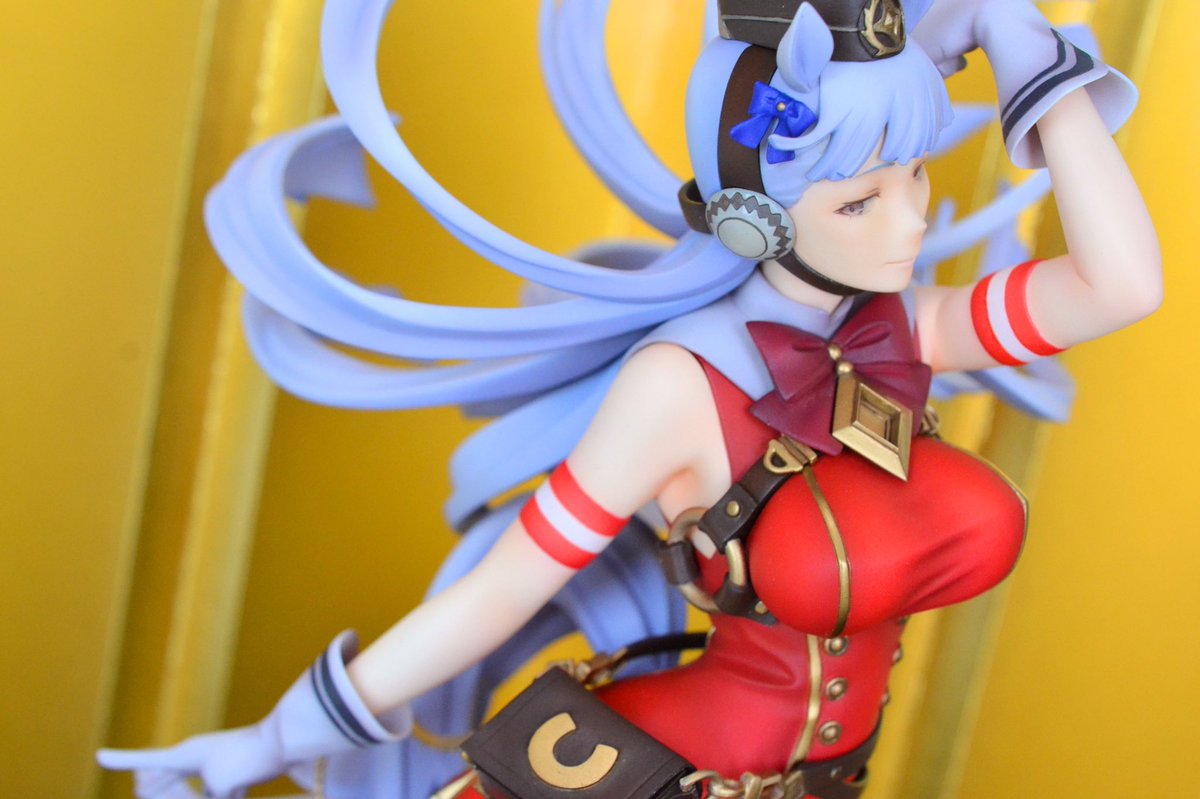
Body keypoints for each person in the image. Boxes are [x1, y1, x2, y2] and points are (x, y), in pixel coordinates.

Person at [99, 0, 1161, 797]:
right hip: (667, 770)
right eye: (861, 200)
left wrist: (1031, 57)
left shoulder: (904, 332)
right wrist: (274, 740)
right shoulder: (679, 386)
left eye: (917, 175)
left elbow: (1122, 285)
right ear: (752, 215)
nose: (913, 221)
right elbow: (498, 594)